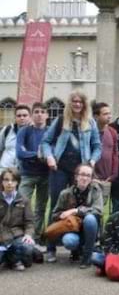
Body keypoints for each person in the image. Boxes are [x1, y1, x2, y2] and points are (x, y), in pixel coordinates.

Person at [41, 90, 101, 245]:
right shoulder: (61, 120)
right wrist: (49, 156)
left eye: (80, 102)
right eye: (74, 101)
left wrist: (92, 161)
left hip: (81, 171)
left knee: (82, 205)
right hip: (59, 169)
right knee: (56, 205)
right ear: (70, 103)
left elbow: (97, 146)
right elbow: (45, 141)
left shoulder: (90, 122)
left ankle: (78, 243)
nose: (77, 104)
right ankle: (51, 246)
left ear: (84, 104)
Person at [48, 163, 103, 267]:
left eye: (88, 175)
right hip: (72, 229)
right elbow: (54, 215)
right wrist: (63, 215)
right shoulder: (65, 193)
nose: (84, 178)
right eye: (82, 174)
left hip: (91, 229)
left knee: (90, 219)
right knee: (69, 241)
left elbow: (98, 210)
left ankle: (87, 257)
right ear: (76, 176)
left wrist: (76, 211)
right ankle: (77, 250)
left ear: (91, 179)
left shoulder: (96, 191)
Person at [16, 102, 49, 243]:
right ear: (32, 115)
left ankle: (35, 236)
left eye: (42, 112)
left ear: (47, 115)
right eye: (36, 112)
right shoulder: (24, 131)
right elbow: (20, 153)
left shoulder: (50, 132)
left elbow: (52, 153)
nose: (39, 114)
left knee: (40, 207)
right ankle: (19, 235)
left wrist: (30, 153)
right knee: (21, 205)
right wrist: (39, 155)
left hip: (46, 175)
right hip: (27, 174)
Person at [0, 168, 35, 271]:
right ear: (2, 181)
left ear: (17, 182)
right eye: (6, 180)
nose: (9, 183)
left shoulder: (24, 200)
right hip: (1, 236)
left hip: (17, 235)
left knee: (28, 249)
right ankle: (13, 259)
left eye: (13, 180)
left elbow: (30, 222)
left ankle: (11, 258)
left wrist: (28, 234)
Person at [93, 103, 119, 212]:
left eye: (109, 113)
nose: (109, 116)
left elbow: (115, 154)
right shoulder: (89, 132)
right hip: (93, 178)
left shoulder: (113, 132)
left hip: (108, 178)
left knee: (106, 206)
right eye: (105, 114)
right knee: (94, 207)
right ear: (96, 116)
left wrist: (114, 173)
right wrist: (92, 175)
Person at [0, 104, 31, 170]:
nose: (22, 118)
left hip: (25, 171)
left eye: (25, 115)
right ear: (15, 117)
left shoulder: (34, 132)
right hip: (5, 169)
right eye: (19, 116)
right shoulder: (7, 130)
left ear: (30, 117)